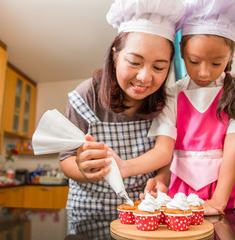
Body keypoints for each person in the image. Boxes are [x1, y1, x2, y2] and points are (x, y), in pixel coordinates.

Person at [58, 0, 185, 238]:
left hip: (143, 215)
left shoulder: (167, 101)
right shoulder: (86, 95)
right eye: (135, 62)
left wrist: (161, 177)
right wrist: (83, 169)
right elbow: (66, 159)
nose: (144, 77)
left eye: (159, 67)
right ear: (115, 56)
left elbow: (167, 153)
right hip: (88, 214)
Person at [145, 0, 235, 215]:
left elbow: (234, 145)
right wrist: (162, 178)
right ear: (181, 50)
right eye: (194, 61)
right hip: (182, 193)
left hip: (231, 194)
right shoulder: (172, 93)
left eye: (216, 63)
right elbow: (169, 148)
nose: (203, 73)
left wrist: (218, 200)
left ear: (232, 54)